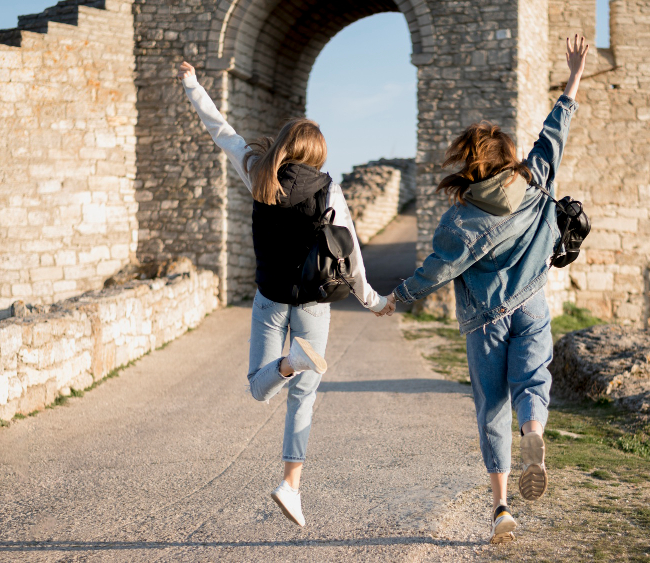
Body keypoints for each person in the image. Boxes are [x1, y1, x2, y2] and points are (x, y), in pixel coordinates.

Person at [377, 36, 589, 543]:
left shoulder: (461, 221)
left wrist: (397, 298)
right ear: (507, 158)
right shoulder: (535, 178)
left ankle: (500, 508)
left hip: (486, 320)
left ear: (469, 167)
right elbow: (554, 131)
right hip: (532, 303)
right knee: (533, 379)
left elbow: (434, 272)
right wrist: (574, 76)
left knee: (492, 405)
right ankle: (534, 433)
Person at [177, 61, 393, 527]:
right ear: (317, 153)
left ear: (283, 145)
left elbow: (222, 131)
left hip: (270, 299)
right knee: (304, 398)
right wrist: (371, 300)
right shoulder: (329, 190)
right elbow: (349, 249)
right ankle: (290, 485)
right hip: (314, 302)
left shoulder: (257, 172)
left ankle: (287, 364)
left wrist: (193, 85)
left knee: (260, 388)